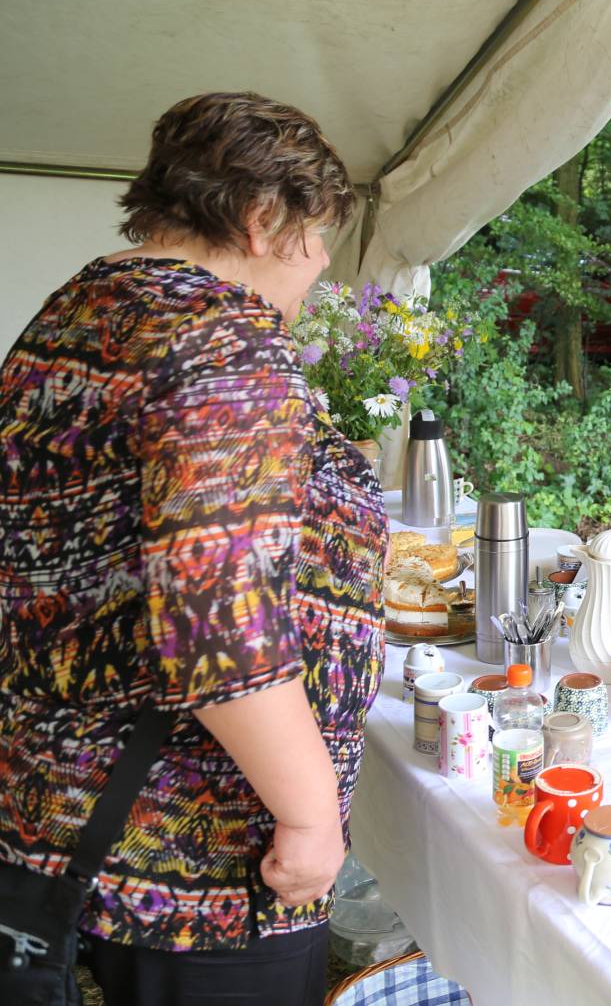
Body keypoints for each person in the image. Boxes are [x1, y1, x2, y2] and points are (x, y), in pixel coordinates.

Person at [0, 92, 385, 1005]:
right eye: (316, 234)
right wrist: (309, 817)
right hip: (195, 850)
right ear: (261, 219)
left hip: (64, 798)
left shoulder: (79, 310)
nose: (323, 261)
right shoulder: (224, 343)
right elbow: (222, 632)